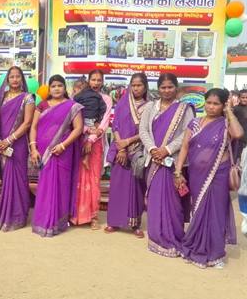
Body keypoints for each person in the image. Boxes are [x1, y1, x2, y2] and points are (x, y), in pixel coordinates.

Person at [175, 88, 241, 268]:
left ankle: (215, 253)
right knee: (198, 210)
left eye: (216, 104)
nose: (211, 107)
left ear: (223, 105)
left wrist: (229, 111)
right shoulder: (194, 123)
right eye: (209, 103)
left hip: (218, 174)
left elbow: (238, 134)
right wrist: (178, 171)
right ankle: (195, 245)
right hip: (196, 174)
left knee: (216, 212)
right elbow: (185, 148)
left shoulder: (226, 124)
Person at [139, 73, 195, 257]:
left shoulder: (184, 109)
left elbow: (187, 134)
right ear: (158, 89)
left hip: (174, 162)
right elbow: (143, 130)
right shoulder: (150, 107)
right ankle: (156, 239)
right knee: (155, 201)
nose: (166, 90)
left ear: (176, 88)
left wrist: (167, 149)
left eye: (170, 87)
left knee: (173, 203)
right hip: (154, 159)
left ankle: (173, 237)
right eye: (163, 87)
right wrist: (153, 149)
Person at [30, 75, 84, 237]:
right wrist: (33, 148)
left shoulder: (72, 106)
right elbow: (33, 127)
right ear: (49, 89)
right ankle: (43, 221)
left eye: (60, 85)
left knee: (61, 185)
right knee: (45, 186)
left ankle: (57, 222)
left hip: (62, 152)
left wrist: (63, 145)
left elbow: (78, 129)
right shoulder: (42, 105)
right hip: (43, 152)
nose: (57, 89)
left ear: (65, 88)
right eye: (53, 86)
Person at [104, 73, 149, 237]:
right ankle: (114, 221)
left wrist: (128, 142)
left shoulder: (150, 106)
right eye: (133, 85)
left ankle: (135, 224)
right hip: (120, 151)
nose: (136, 88)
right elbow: (115, 126)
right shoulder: (122, 103)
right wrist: (121, 148)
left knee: (136, 188)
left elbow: (147, 131)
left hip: (137, 151)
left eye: (139, 85)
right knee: (117, 187)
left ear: (145, 87)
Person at [0, 66, 35, 231]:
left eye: (18, 76)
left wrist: (10, 139)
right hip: (1, 144)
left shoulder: (28, 98)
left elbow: (27, 123)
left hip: (17, 144)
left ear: (22, 79)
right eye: (12, 77)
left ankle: (18, 216)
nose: (15, 79)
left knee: (18, 178)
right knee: (5, 178)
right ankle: (6, 212)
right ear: (7, 79)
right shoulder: (0, 98)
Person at [71, 69, 112, 230]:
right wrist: (86, 132)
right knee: (77, 178)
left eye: (99, 80)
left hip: (96, 143)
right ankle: (75, 215)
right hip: (78, 139)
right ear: (88, 80)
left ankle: (93, 216)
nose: (96, 83)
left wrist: (91, 139)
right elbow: (74, 118)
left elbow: (104, 122)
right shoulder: (79, 96)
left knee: (93, 178)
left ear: (103, 82)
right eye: (93, 79)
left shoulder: (106, 99)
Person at [231, 89, 247, 162]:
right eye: (243, 97)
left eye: (246, 98)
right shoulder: (235, 109)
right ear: (239, 98)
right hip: (239, 138)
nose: (245, 99)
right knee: (237, 158)